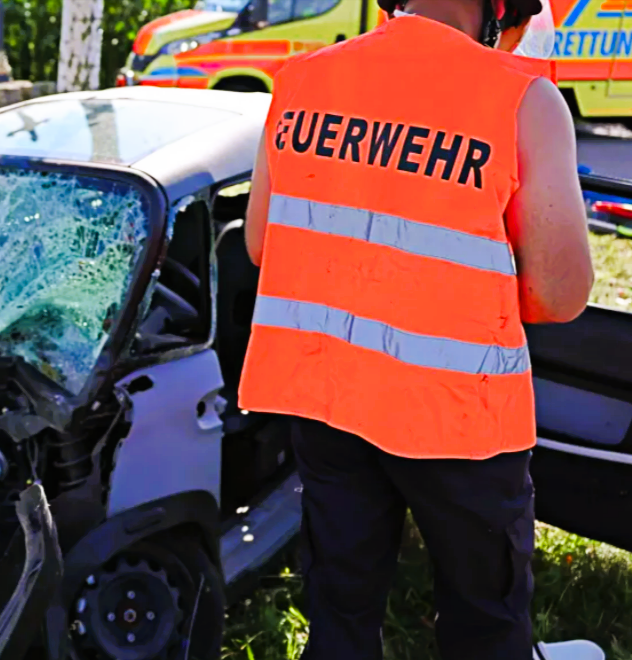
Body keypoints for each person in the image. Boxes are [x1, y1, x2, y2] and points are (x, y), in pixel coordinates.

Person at [237, 0, 595, 657]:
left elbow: (264, 243)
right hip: (461, 418)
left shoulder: (302, 80)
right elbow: (560, 293)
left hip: (327, 397)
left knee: (339, 614)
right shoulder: (523, 100)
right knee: (484, 624)